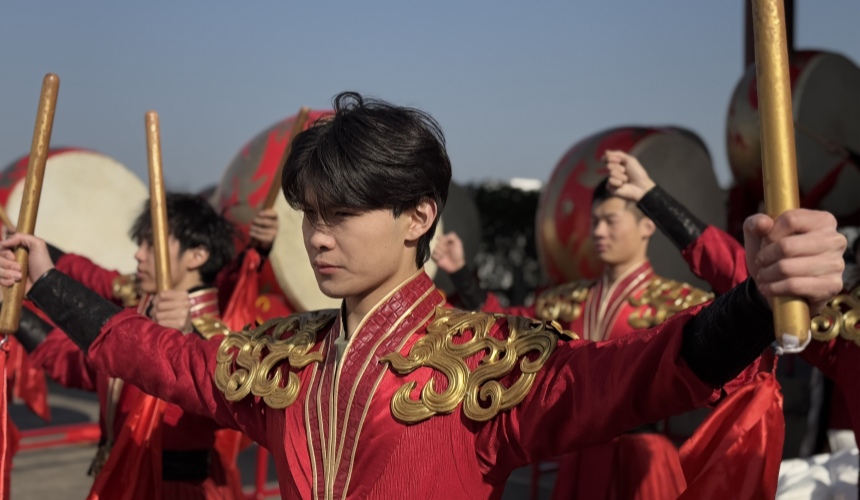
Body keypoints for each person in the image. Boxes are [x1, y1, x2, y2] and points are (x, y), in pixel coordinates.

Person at [2, 92, 846, 500]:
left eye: (342, 214)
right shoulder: (281, 361)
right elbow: (159, 356)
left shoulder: (490, 370)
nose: (318, 237)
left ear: (418, 214)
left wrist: (755, 299)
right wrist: (49, 278)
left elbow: (645, 371)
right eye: (311, 217)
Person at [432, 150, 758, 499]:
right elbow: (506, 328)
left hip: (645, 462)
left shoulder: (680, 304)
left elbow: (741, 303)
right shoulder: (568, 299)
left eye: (611, 221)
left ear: (647, 226)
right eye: (595, 221)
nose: (599, 231)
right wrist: (462, 274)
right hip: (580, 459)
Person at [9, 193, 274, 499]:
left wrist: (186, 337)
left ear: (197, 256)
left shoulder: (221, 340)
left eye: (152, 245)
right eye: (141, 244)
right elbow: (72, 363)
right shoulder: (136, 319)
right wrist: (12, 300)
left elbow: (217, 394)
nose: (138, 255)